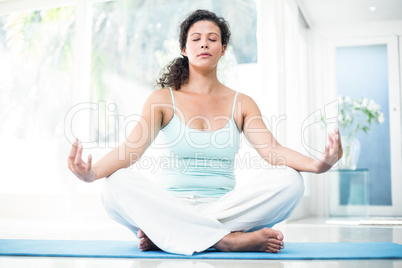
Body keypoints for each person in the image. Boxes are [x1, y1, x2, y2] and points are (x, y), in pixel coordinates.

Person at [68, 9, 342, 255]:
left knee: (290, 181)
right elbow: (130, 151)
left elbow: (272, 151)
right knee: (114, 185)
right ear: (184, 49)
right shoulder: (163, 99)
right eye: (196, 38)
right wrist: (91, 174)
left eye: (212, 39)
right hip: (167, 204)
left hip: (225, 209)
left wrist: (318, 164)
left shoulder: (242, 103)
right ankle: (225, 241)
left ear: (223, 49)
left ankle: (170, 235)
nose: (204, 44)